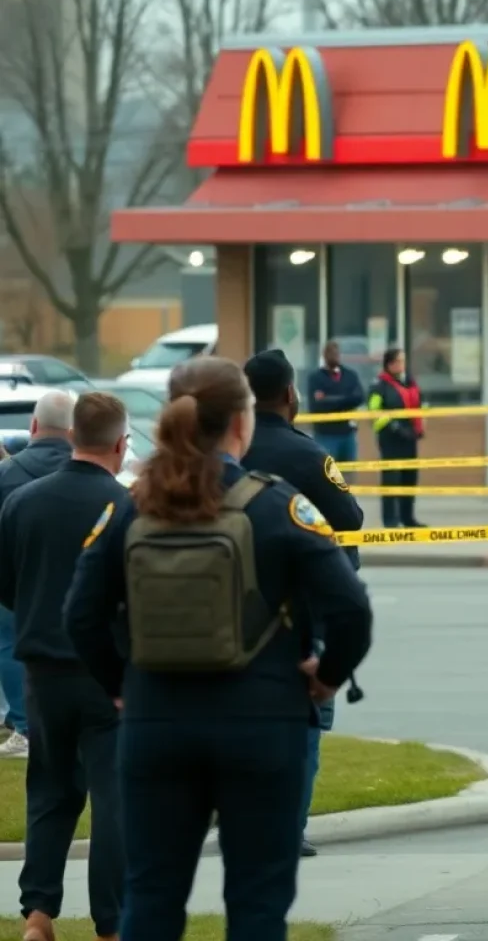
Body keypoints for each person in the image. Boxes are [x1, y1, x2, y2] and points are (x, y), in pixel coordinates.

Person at [64, 356, 373, 941]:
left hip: (156, 722)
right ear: (240, 422)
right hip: (263, 722)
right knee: (256, 904)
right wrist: (327, 675)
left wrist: (120, 684)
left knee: (151, 898)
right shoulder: (277, 505)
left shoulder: (131, 506)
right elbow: (350, 608)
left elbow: (80, 614)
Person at [0, 392, 128, 941]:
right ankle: (111, 924)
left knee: (50, 792)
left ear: (71, 435)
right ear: (122, 445)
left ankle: (38, 913)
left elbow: (6, 583)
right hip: (110, 678)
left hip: (42, 673)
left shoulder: (21, 503)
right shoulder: (128, 509)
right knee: (114, 802)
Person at [241, 347, 366, 858]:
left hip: (233, 610)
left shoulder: (225, 455)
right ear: (291, 394)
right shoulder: (308, 455)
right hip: (304, 610)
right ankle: (286, 830)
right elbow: (351, 518)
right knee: (306, 724)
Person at [0, 391, 75, 760]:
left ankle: (24, 725)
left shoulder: (6, 475)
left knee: (8, 643)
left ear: (33, 425)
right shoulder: (92, 469)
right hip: (78, 583)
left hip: (18, 580)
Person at [368, 348, 425, 529]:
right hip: (390, 438)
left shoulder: (409, 382)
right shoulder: (379, 385)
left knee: (409, 478)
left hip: (410, 437)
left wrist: (417, 428)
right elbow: (375, 411)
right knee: (391, 479)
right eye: (398, 361)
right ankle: (390, 520)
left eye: (403, 361)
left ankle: (408, 518)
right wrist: (394, 426)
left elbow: (417, 405)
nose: (402, 365)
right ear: (390, 364)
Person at [307, 340, 365, 465]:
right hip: (325, 434)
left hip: (348, 433)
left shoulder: (350, 375)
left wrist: (329, 398)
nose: (334, 356)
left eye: (336, 353)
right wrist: (346, 399)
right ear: (324, 356)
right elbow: (316, 406)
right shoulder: (316, 378)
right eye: (330, 353)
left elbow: (360, 398)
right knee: (327, 475)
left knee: (348, 476)